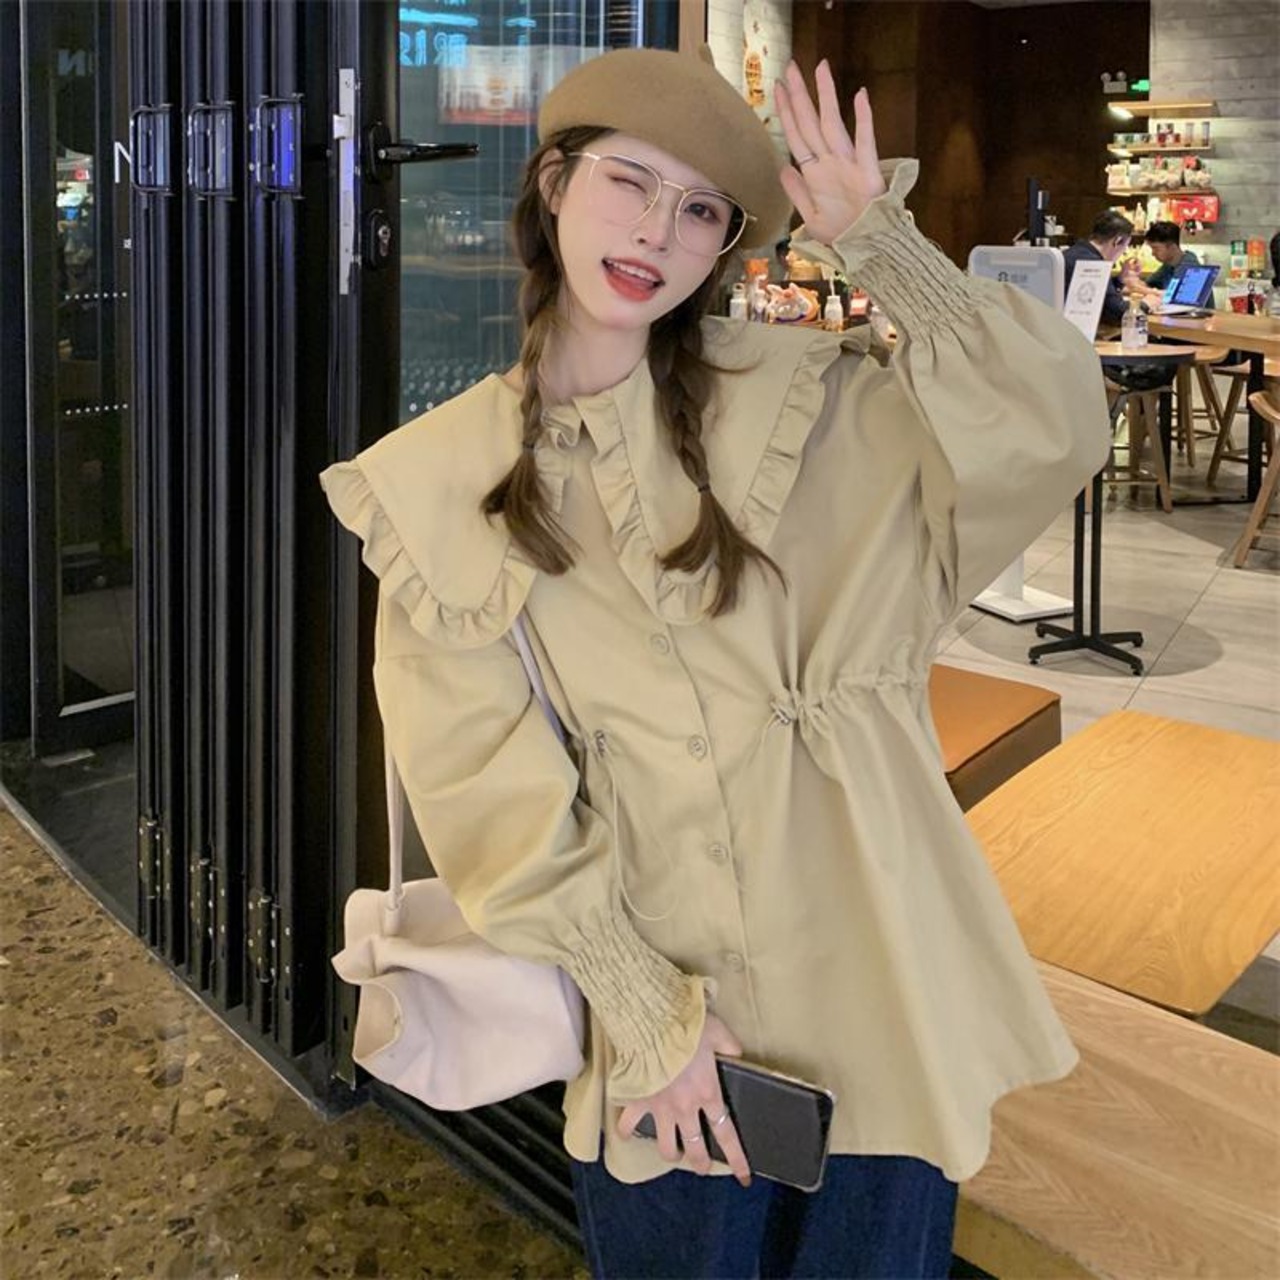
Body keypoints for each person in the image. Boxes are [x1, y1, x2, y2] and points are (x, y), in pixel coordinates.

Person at [321, 48, 1109, 1279]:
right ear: (553, 184)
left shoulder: (810, 402)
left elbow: (1052, 430)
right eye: (627, 181)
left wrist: (879, 243)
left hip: (880, 981)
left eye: (700, 210)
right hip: (676, 1029)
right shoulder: (441, 480)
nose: (655, 230)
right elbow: (483, 791)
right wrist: (649, 1015)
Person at [1062, 208, 1141, 328]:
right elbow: (1116, 312)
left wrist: (1120, 280)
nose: (1123, 253)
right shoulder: (1092, 264)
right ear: (1117, 241)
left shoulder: (1077, 253)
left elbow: (1100, 295)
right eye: (1125, 247)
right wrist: (1146, 304)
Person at [1140, 220, 1199, 296]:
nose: (1153, 253)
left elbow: (1175, 296)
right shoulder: (1168, 265)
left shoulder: (1190, 266)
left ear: (1172, 247)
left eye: (1156, 248)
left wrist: (1139, 288)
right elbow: (1148, 284)